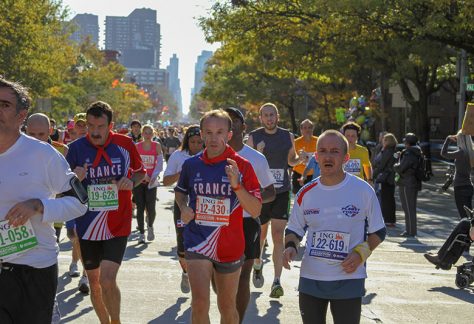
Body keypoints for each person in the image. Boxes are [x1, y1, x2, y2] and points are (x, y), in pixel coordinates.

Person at [0, 78, 88, 323]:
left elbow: (79, 202)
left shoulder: (43, 155)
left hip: (35, 268)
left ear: (21, 116)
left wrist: (39, 206)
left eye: (4, 104)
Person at [283, 129, 386, 324]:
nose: (327, 156)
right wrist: (290, 246)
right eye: (322, 151)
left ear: (346, 157)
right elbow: (294, 229)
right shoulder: (306, 192)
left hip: (349, 278)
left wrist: (360, 254)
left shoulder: (363, 190)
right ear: (316, 156)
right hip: (311, 278)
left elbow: (378, 231)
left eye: (334, 151)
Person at [175, 109, 262, 324]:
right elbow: (180, 191)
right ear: (202, 134)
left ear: (229, 135)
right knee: (200, 303)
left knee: (227, 307)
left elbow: (256, 210)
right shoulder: (191, 164)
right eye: (209, 132)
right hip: (197, 240)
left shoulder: (242, 165)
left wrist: (237, 185)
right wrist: (183, 207)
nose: (214, 138)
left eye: (220, 132)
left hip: (229, 244)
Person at [66, 101, 145, 324]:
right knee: (95, 283)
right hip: (88, 224)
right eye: (91, 125)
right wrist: (75, 179)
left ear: (111, 125)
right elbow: (63, 189)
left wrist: (131, 181)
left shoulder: (125, 144)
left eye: (100, 126)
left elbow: (140, 173)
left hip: (117, 222)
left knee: (108, 279)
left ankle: (116, 321)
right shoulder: (76, 149)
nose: (95, 131)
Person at [225, 107, 276, 323]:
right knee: (221, 281)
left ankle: (237, 319)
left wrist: (247, 198)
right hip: (217, 224)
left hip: (247, 222)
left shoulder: (256, 159)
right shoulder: (210, 156)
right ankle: (227, 312)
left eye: (235, 121)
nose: (231, 124)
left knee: (243, 275)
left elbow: (271, 192)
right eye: (226, 121)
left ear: (243, 127)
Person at [247, 102, 303, 298]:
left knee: (278, 235)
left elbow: (291, 161)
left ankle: (277, 281)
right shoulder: (254, 137)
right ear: (260, 118)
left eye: (272, 115)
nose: (269, 118)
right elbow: (247, 165)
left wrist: (300, 159)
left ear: (277, 116)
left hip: (281, 191)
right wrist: (259, 153)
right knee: (261, 235)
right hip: (261, 193)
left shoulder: (287, 135)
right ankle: (257, 264)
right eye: (266, 115)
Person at [163, 125, 203, 293]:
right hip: (182, 204)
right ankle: (186, 272)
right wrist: (182, 172)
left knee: (201, 243)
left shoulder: (209, 155)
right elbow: (165, 181)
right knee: (182, 245)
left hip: (203, 205)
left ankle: (199, 278)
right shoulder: (178, 156)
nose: (196, 145)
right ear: (187, 141)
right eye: (192, 142)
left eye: (199, 142)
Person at [134, 124, 163, 243]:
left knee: (151, 208)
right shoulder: (137, 146)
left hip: (152, 181)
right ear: (142, 133)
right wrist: (143, 175)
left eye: (150, 133)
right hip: (139, 181)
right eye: (145, 133)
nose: (147, 135)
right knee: (140, 207)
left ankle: (150, 226)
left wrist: (153, 176)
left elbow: (160, 163)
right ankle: (141, 233)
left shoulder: (156, 146)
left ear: (153, 134)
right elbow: (135, 163)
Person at [393, 133, 422, 237]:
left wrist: (395, 165)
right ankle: (410, 230)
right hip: (413, 182)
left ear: (407, 142)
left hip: (407, 183)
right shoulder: (417, 151)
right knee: (410, 208)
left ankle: (410, 231)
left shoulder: (409, 153)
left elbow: (401, 168)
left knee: (408, 208)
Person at [440, 131, 474, 219]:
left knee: (463, 216)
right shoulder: (472, 152)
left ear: (460, 140)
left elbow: (443, 153)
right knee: (469, 215)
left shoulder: (460, 153)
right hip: (469, 185)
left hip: (459, 186)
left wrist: (448, 139)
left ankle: (467, 232)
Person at [373, 133, 398, 226]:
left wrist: (373, 175)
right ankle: (391, 220)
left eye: (384, 139)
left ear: (388, 141)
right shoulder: (393, 150)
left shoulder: (388, 151)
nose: (382, 141)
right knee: (389, 199)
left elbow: (381, 165)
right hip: (390, 178)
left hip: (386, 178)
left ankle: (388, 220)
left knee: (386, 199)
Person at [292, 119, 318, 194]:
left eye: (310, 127)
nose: (307, 130)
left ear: (313, 129)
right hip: (298, 174)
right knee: (299, 199)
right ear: (301, 130)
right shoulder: (295, 142)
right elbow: (291, 160)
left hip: (314, 175)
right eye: (305, 128)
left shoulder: (318, 141)